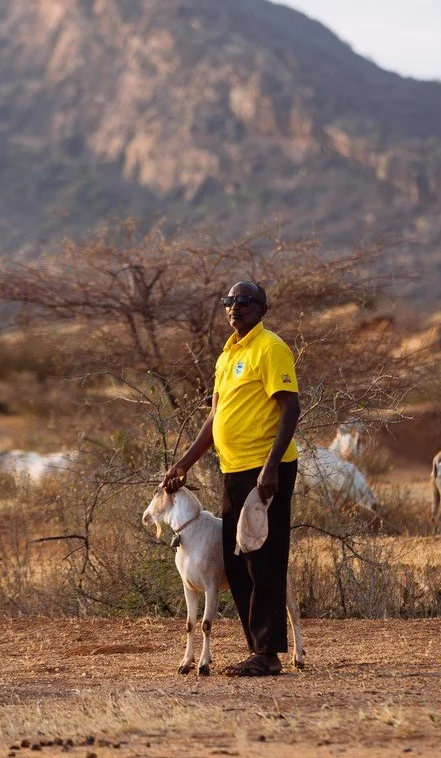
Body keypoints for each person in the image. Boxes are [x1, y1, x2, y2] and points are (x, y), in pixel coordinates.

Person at [161, 280, 300, 677]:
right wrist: (184, 463)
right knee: (237, 561)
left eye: (244, 301)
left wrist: (271, 466)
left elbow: (290, 409)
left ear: (262, 308)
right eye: (229, 301)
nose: (234, 307)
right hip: (233, 470)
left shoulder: (271, 348)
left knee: (264, 559)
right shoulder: (227, 355)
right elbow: (215, 418)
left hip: (265, 472)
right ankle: (258, 648)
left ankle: (268, 655)